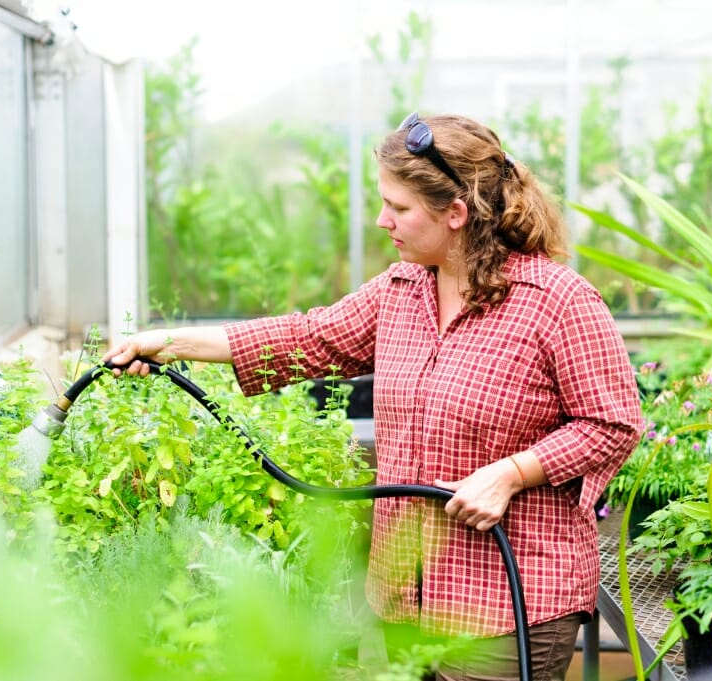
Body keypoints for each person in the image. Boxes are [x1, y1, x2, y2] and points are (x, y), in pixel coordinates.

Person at [103, 112, 644, 681]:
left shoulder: (557, 301)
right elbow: (304, 339)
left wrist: (511, 473)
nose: (383, 220)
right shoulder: (400, 291)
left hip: (507, 605)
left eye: (400, 207)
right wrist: (168, 342)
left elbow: (613, 423)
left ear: (455, 214)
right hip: (402, 604)